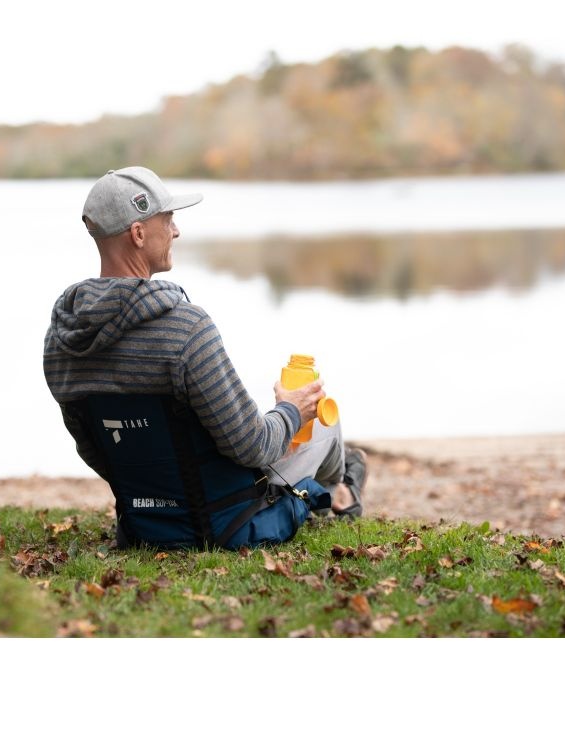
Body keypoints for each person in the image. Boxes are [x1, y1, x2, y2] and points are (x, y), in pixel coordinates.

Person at [43, 165, 367, 549]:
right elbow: (252, 447)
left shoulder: (61, 341)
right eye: (169, 219)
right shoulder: (185, 329)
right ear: (139, 233)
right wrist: (292, 409)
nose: (176, 231)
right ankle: (341, 492)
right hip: (225, 517)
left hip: (146, 521)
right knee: (321, 417)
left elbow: (96, 451)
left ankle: (341, 483)